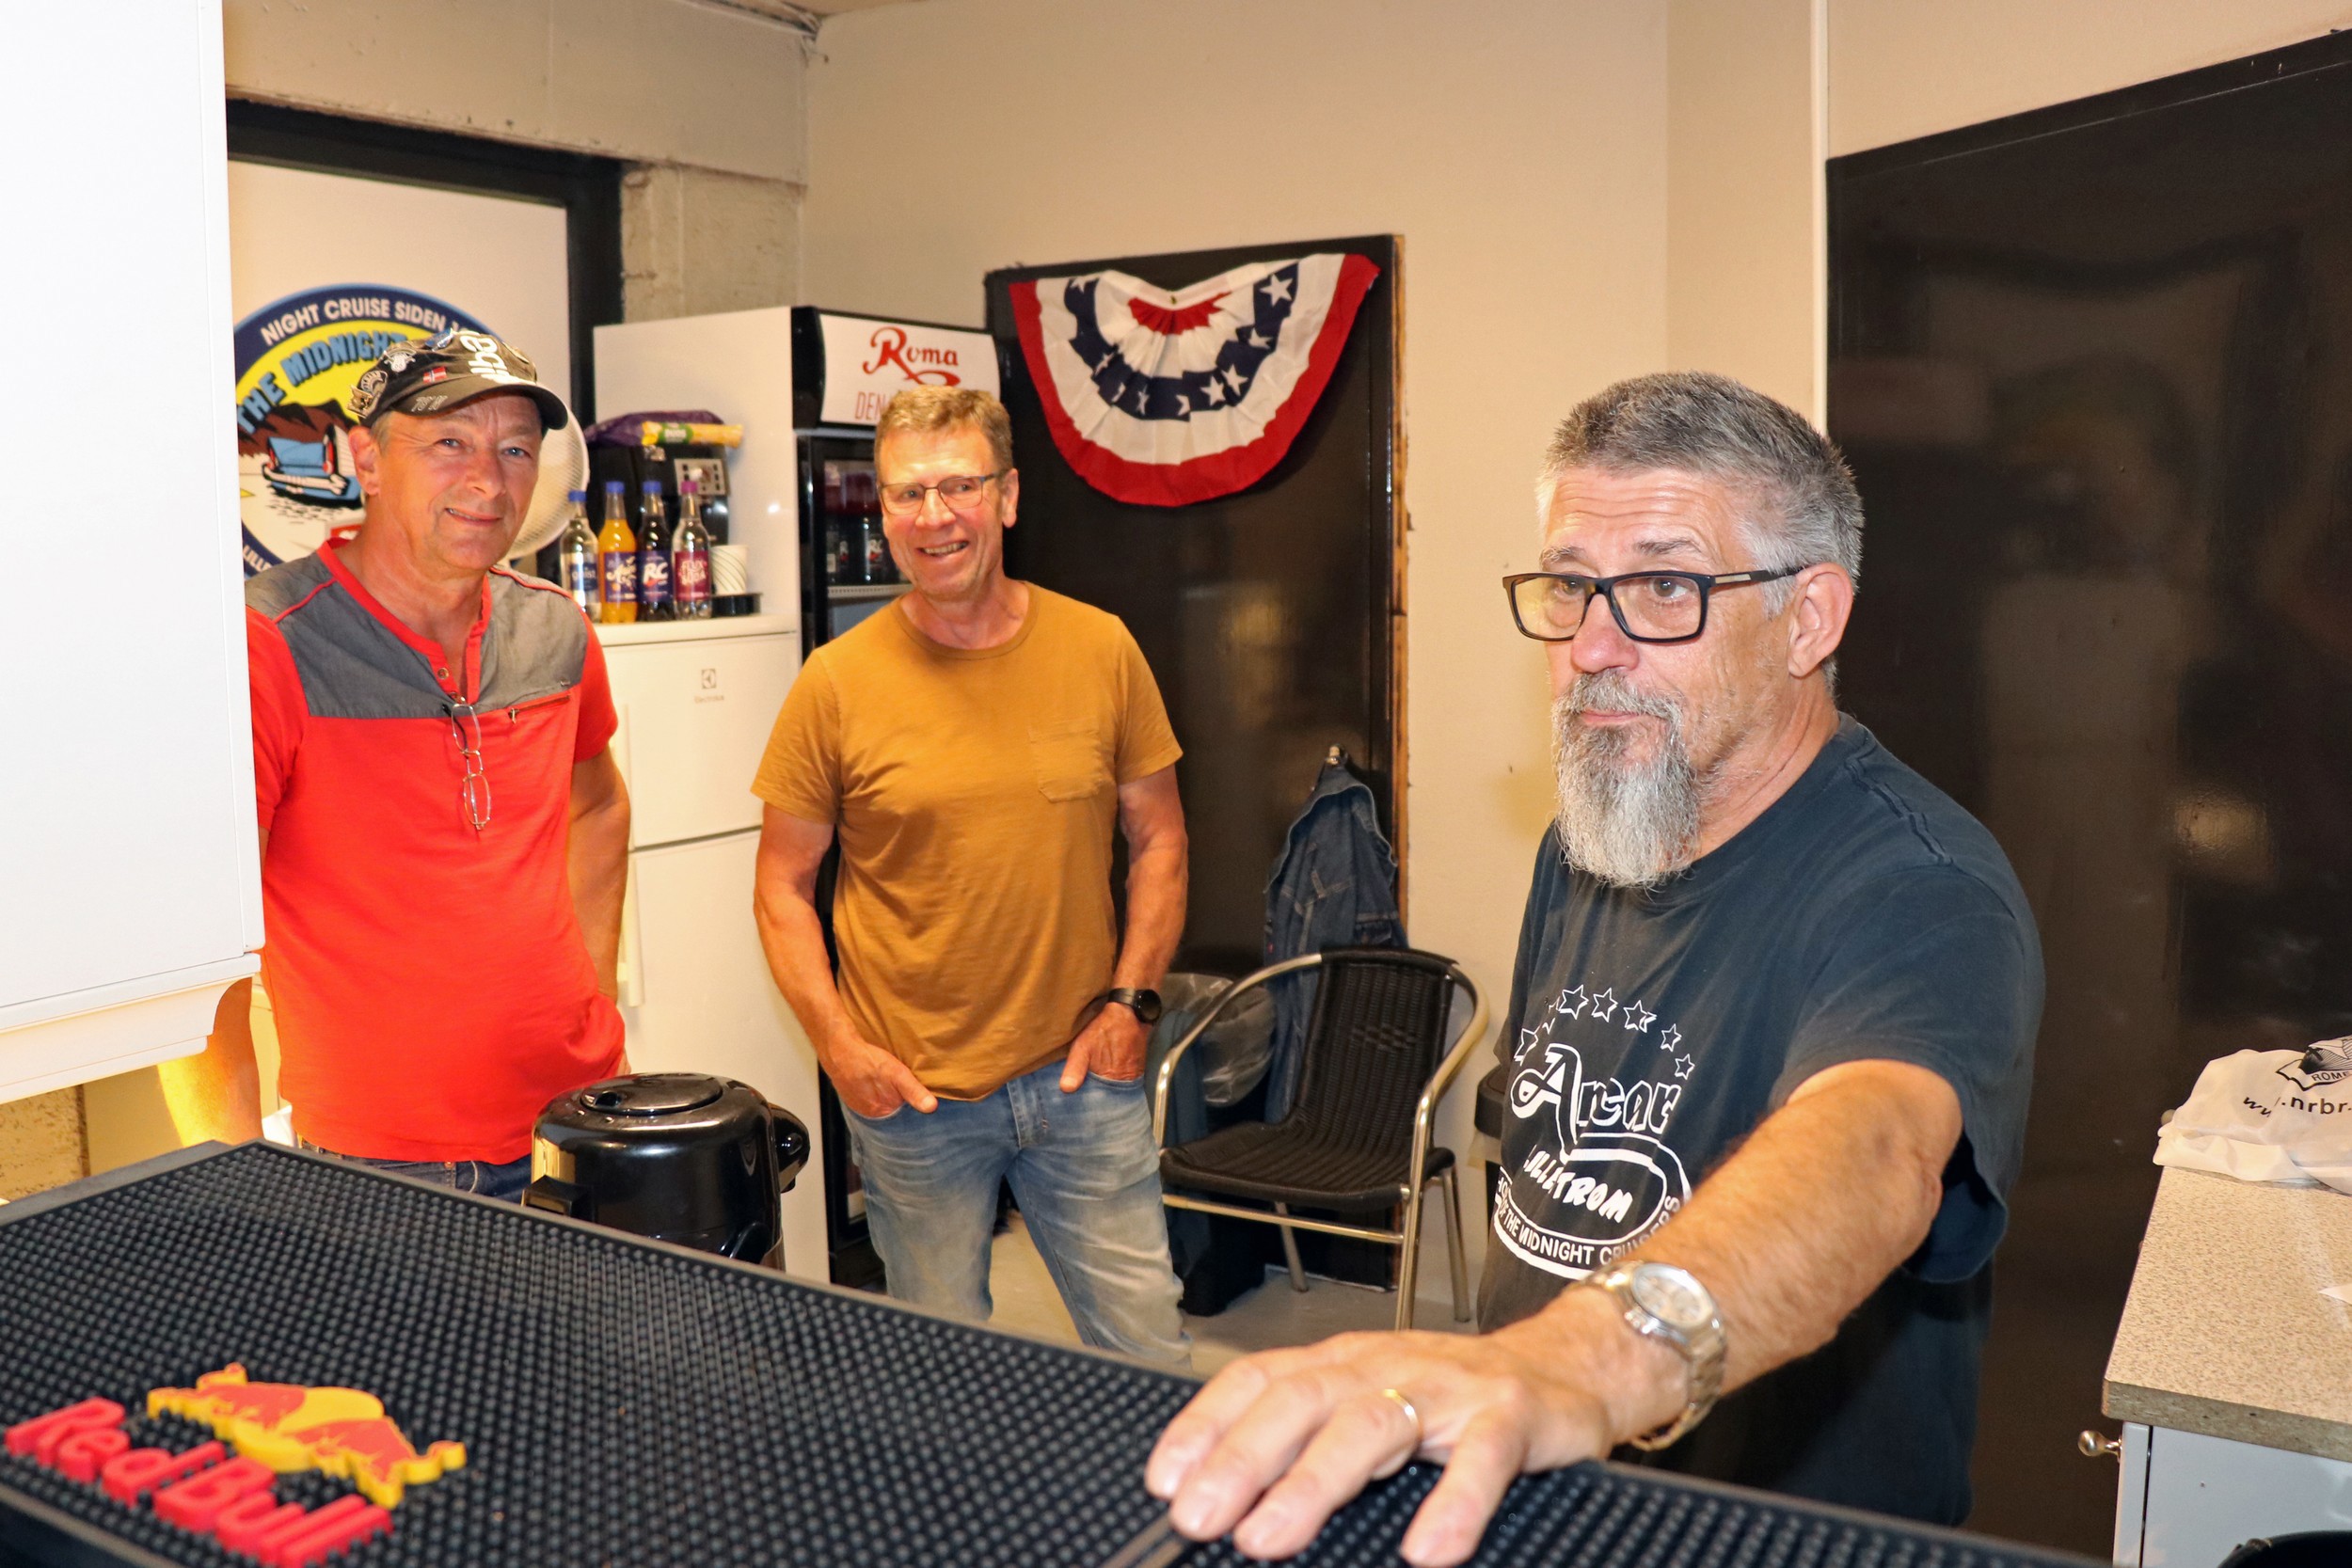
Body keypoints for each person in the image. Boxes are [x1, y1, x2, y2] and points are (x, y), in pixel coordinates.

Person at [1146, 372, 2042, 1564]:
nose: (1590, 647)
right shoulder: (1593, 835)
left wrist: (1572, 1361)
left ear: (1809, 617)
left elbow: (1871, 1149)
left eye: (1666, 586)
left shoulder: (1920, 886)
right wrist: (1514, 1382)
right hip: (1550, 1494)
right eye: (1571, 585)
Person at [751, 386, 1191, 1366]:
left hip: (1083, 1077)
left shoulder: (1100, 647)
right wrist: (841, 1049)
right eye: (907, 493)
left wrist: (1131, 1004)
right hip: (914, 1102)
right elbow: (781, 885)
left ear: (1009, 495)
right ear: (882, 509)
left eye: (959, 486)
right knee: (939, 1371)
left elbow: (1159, 837)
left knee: (1149, 1357)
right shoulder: (834, 682)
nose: (934, 515)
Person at [161, 329, 630, 1200]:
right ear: (368, 460)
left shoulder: (556, 627)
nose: (488, 481)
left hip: (580, 1126)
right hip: (387, 1165)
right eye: (450, 441)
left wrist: (594, 1002)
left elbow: (597, 804)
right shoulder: (268, 645)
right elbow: (194, 939)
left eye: (515, 449)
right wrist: (231, 1187)